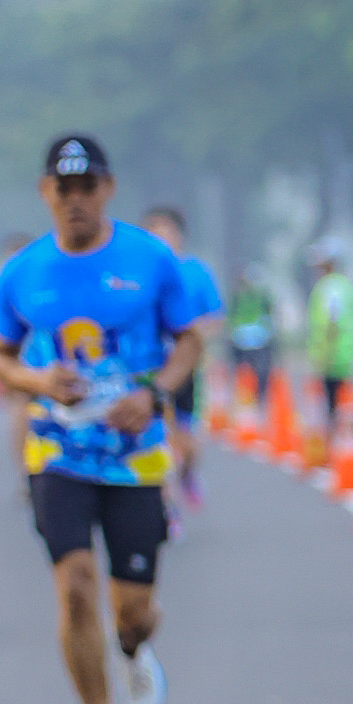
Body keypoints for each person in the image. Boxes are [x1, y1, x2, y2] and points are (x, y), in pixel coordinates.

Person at [0, 134, 201, 704]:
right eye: (63, 189)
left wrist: (154, 394)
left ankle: (133, 646)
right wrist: (38, 381)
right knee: (75, 584)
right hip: (58, 452)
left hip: (135, 456)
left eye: (87, 188)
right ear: (45, 192)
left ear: (108, 189)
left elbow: (189, 341)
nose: (75, 200)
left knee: (134, 608)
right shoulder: (23, 271)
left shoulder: (150, 259)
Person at [140, 205, 221, 518]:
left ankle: (187, 473)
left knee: (187, 444)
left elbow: (215, 318)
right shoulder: (138, 276)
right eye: (153, 234)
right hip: (149, 371)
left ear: (180, 236)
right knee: (159, 440)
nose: (161, 240)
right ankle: (166, 509)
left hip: (186, 369)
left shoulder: (196, 272)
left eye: (167, 233)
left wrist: (187, 335)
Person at [305, 238, 353, 424]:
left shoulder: (330, 288)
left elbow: (332, 322)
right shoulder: (342, 285)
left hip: (333, 355)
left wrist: (325, 353)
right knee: (340, 401)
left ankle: (338, 435)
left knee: (334, 404)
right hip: (342, 352)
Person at [224, 268, 275, 396]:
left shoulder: (254, 297)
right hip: (247, 339)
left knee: (253, 371)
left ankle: (252, 395)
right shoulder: (246, 297)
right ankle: (247, 395)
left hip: (253, 339)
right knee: (250, 371)